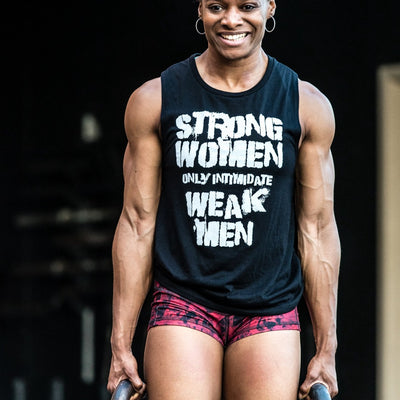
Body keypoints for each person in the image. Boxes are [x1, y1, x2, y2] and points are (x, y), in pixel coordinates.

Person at [107, 0, 340, 399]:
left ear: (270, 7)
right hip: (184, 302)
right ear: (200, 8)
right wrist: (120, 343)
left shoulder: (306, 104)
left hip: (270, 308)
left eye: (247, 5)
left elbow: (316, 229)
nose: (231, 19)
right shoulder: (155, 99)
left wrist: (326, 348)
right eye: (217, 6)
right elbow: (136, 222)